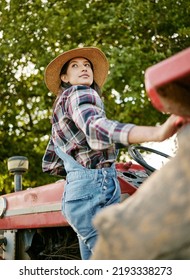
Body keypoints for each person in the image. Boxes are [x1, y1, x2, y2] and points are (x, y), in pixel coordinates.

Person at [42, 46, 185, 260]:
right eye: (75, 66)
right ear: (65, 77)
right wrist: (156, 132)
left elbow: (55, 159)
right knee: (119, 261)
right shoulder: (80, 93)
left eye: (87, 65)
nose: (84, 69)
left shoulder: (63, 104)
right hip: (93, 193)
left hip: (83, 193)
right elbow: (95, 127)